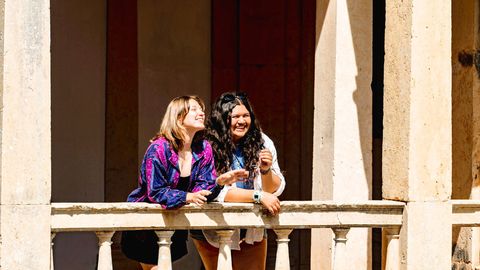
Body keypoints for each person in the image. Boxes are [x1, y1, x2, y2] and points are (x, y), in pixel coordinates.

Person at [121, 95, 245, 270]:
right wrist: (187, 196)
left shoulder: (203, 149)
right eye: (194, 109)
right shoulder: (158, 148)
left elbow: (202, 190)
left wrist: (219, 182)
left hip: (174, 223)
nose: (201, 113)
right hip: (146, 228)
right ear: (178, 117)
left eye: (201, 109)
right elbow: (155, 191)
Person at [191, 92, 286, 270]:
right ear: (223, 118)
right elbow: (217, 192)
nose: (242, 121)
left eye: (246, 115)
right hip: (214, 226)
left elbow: (274, 189)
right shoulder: (207, 145)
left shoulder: (262, 141)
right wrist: (258, 196)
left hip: (252, 226)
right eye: (235, 116)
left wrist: (266, 170)